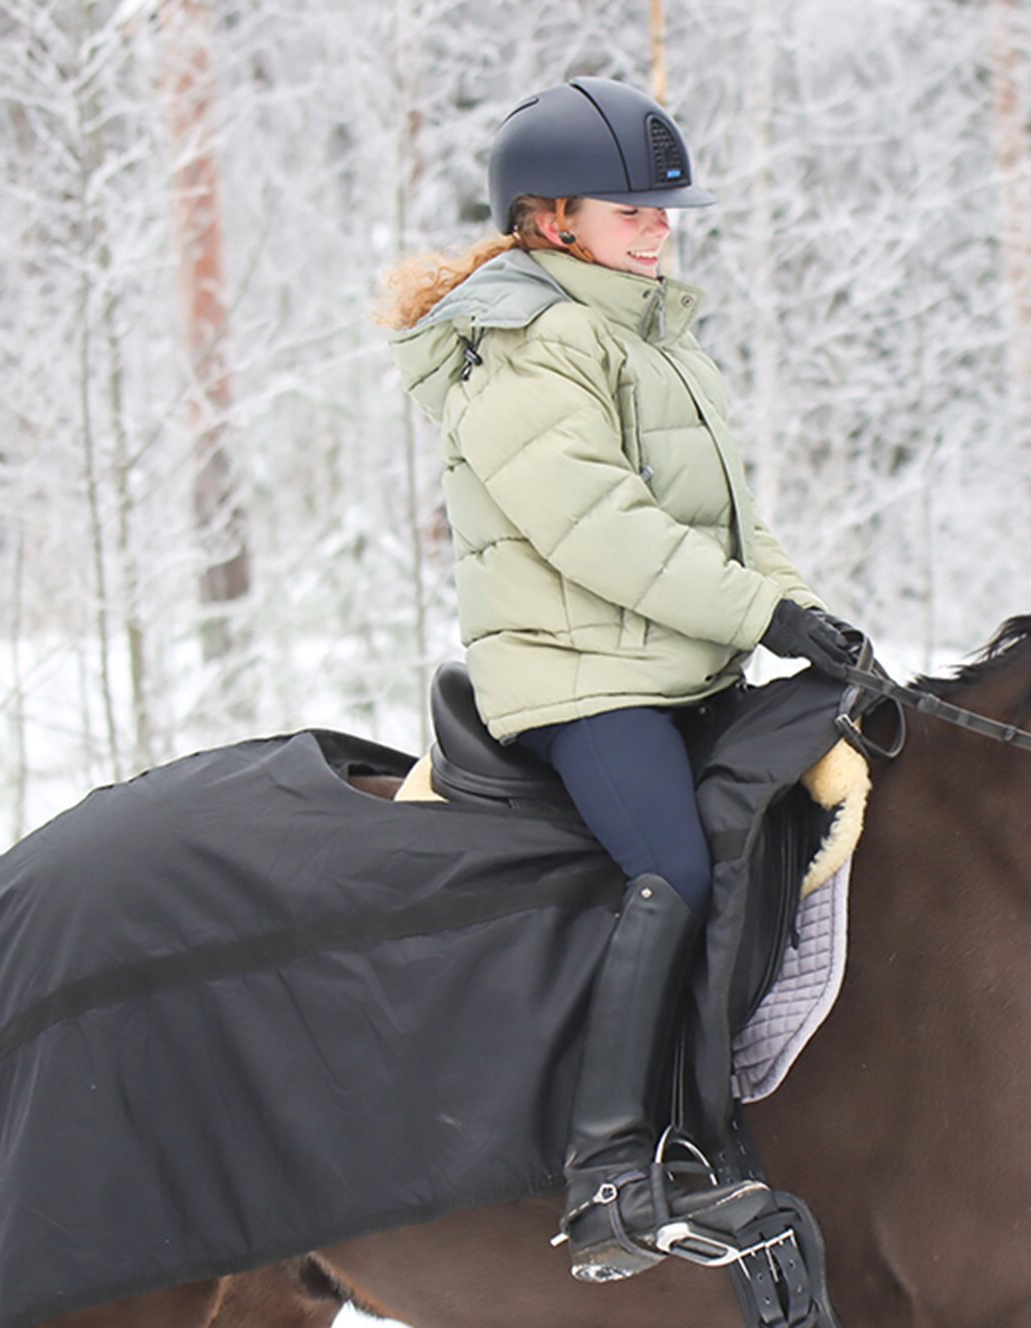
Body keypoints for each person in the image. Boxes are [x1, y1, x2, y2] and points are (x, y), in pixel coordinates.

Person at [377, 76, 863, 1284]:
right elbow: (604, 529)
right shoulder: (532, 349)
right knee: (676, 867)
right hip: (579, 682)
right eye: (629, 211)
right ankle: (607, 1172)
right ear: (548, 219)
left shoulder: (649, 331)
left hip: (676, 662)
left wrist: (802, 607)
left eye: (664, 212)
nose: (656, 231)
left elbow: (732, 524)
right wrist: (760, 611)